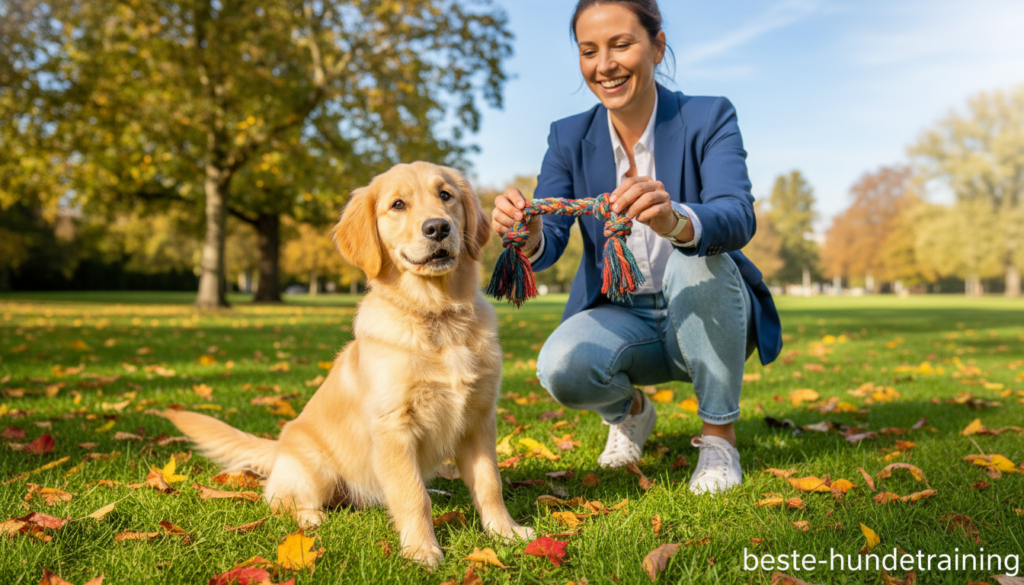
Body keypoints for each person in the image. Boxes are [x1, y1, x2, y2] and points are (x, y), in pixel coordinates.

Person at [490, 0, 783, 495]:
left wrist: (675, 220)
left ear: (657, 46)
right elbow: (553, 238)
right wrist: (530, 230)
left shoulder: (708, 115)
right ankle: (631, 414)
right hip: (623, 316)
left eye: (621, 44)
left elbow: (736, 213)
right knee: (560, 366)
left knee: (697, 263)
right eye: (589, 51)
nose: (604, 64)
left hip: (709, 308)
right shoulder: (568, 137)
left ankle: (719, 438)